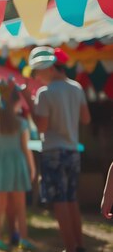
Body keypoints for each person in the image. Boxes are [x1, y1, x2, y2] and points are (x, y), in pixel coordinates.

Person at [21, 46, 91, 252]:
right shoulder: (76, 87)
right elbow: (86, 119)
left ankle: (70, 248)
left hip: (53, 152)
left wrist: (28, 101)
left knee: (59, 202)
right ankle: (79, 246)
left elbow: (41, 127)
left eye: (38, 71)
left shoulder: (45, 93)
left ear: (50, 68)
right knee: (71, 199)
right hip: (72, 151)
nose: (37, 76)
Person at [0, 80, 36, 251]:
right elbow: (25, 148)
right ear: (15, 103)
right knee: (20, 206)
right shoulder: (21, 124)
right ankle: (24, 238)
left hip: (0, 166)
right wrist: (32, 167)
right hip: (17, 165)